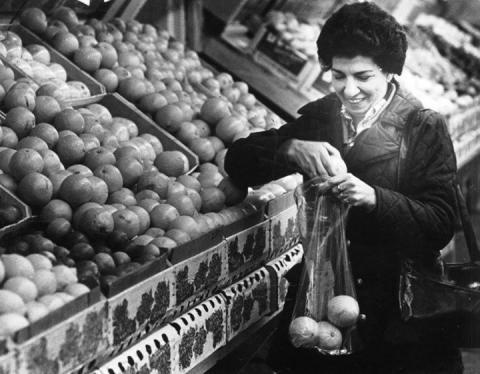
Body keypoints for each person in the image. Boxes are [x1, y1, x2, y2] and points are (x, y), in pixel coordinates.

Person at [225, 3, 463, 374]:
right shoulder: (322, 116)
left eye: (363, 76)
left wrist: (374, 198)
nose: (349, 90)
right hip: (319, 302)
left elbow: (440, 223)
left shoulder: (421, 127)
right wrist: (289, 148)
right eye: (338, 76)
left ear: (389, 72)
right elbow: (238, 162)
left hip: (386, 316)